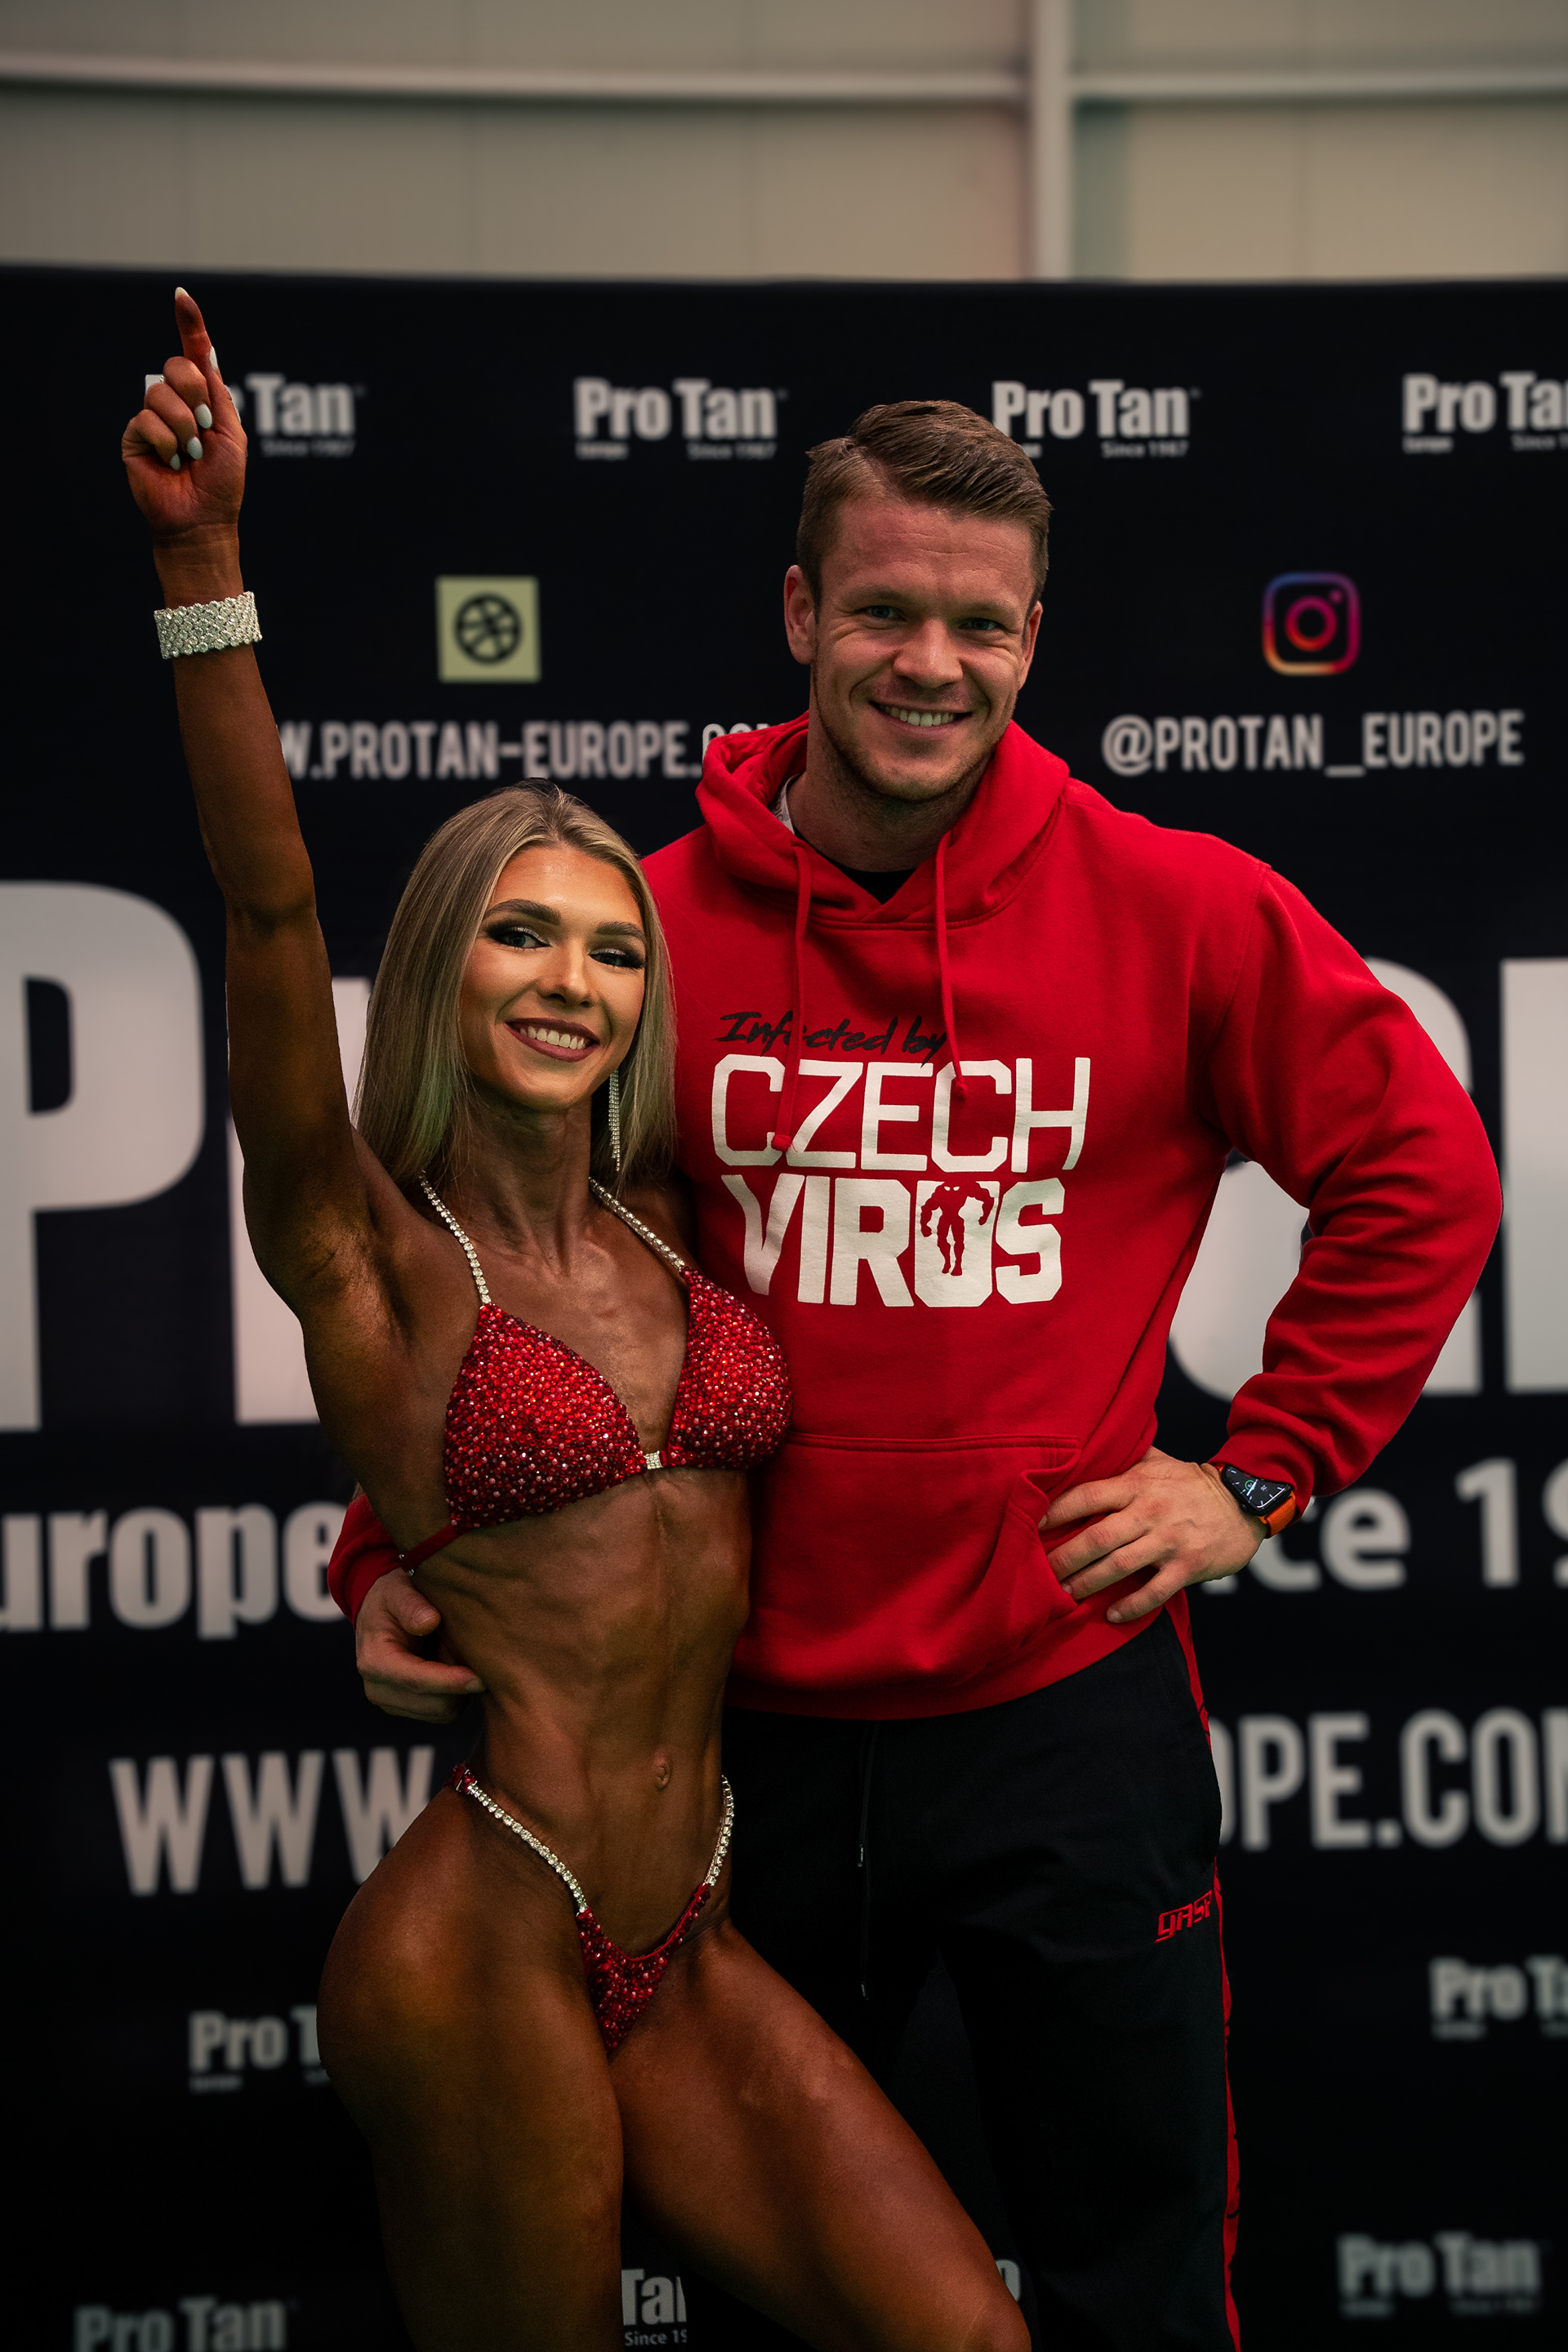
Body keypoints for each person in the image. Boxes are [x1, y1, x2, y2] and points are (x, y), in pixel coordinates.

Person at [339, 403, 1501, 2348]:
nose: (929, 664)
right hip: (731, 1737)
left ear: (1034, 640)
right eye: (885, 611)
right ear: (802, 611)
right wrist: (394, 1545)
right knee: (780, 2297)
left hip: (1064, 1708)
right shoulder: (649, 930)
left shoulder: (1176, 906)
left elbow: (1424, 1170)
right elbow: (487, 1250)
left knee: (1135, 2275)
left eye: (979, 624)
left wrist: (1265, 1470)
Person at [122, 293, 1031, 2352]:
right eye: (520, 935)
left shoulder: (669, 1223)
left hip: (682, 1931)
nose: (571, 981)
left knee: (967, 2333)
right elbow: (269, 906)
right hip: (486, 1935)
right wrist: (202, 567)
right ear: (443, 969)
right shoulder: (369, 1250)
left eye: (614, 951)